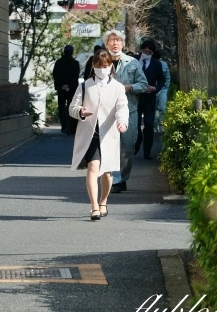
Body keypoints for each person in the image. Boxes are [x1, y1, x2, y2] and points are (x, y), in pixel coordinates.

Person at [69, 47, 129, 220]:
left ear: (111, 66)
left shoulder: (118, 87)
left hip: (109, 134)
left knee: (107, 173)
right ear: (93, 65)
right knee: (93, 167)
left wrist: (122, 122)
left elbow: (122, 107)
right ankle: (94, 207)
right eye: (99, 65)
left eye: (106, 65)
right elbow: (72, 107)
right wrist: (80, 111)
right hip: (90, 133)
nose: (102, 69)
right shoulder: (85, 86)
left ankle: (103, 202)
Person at [102, 29, 147, 193]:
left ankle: (122, 177)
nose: (115, 43)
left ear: (122, 43)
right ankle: (115, 180)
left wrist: (129, 87)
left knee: (127, 147)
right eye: (111, 40)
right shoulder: (100, 61)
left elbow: (143, 85)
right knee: (108, 147)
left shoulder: (132, 63)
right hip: (106, 112)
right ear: (106, 43)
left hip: (129, 110)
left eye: (118, 40)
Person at [134, 39, 167, 159]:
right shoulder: (134, 61)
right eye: (145, 50)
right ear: (141, 50)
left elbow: (162, 80)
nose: (147, 53)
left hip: (150, 98)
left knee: (148, 125)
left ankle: (147, 152)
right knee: (135, 125)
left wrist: (155, 88)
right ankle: (137, 143)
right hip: (136, 97)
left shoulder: (156, 64)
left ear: (152, 52)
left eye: (149, 51)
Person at [52, 44, 82, 135]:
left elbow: (55, 75)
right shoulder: (75, 63)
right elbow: (75, 76)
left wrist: (62, 85)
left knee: (61, 107)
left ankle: (63, 126)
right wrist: (69, 86)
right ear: (72, 52)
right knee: (70, 106)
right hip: (71, 88)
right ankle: (70, 127)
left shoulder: (59, 62)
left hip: (61, 88)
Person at [154, 49, 172, 136]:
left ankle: (162, 127)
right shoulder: (149, 64)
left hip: (162, 90)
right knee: (152, 109)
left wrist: (165, 89)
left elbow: (167, 78)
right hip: (152, 90)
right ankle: (154, 127)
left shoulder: (164, 65)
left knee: (162, 108)